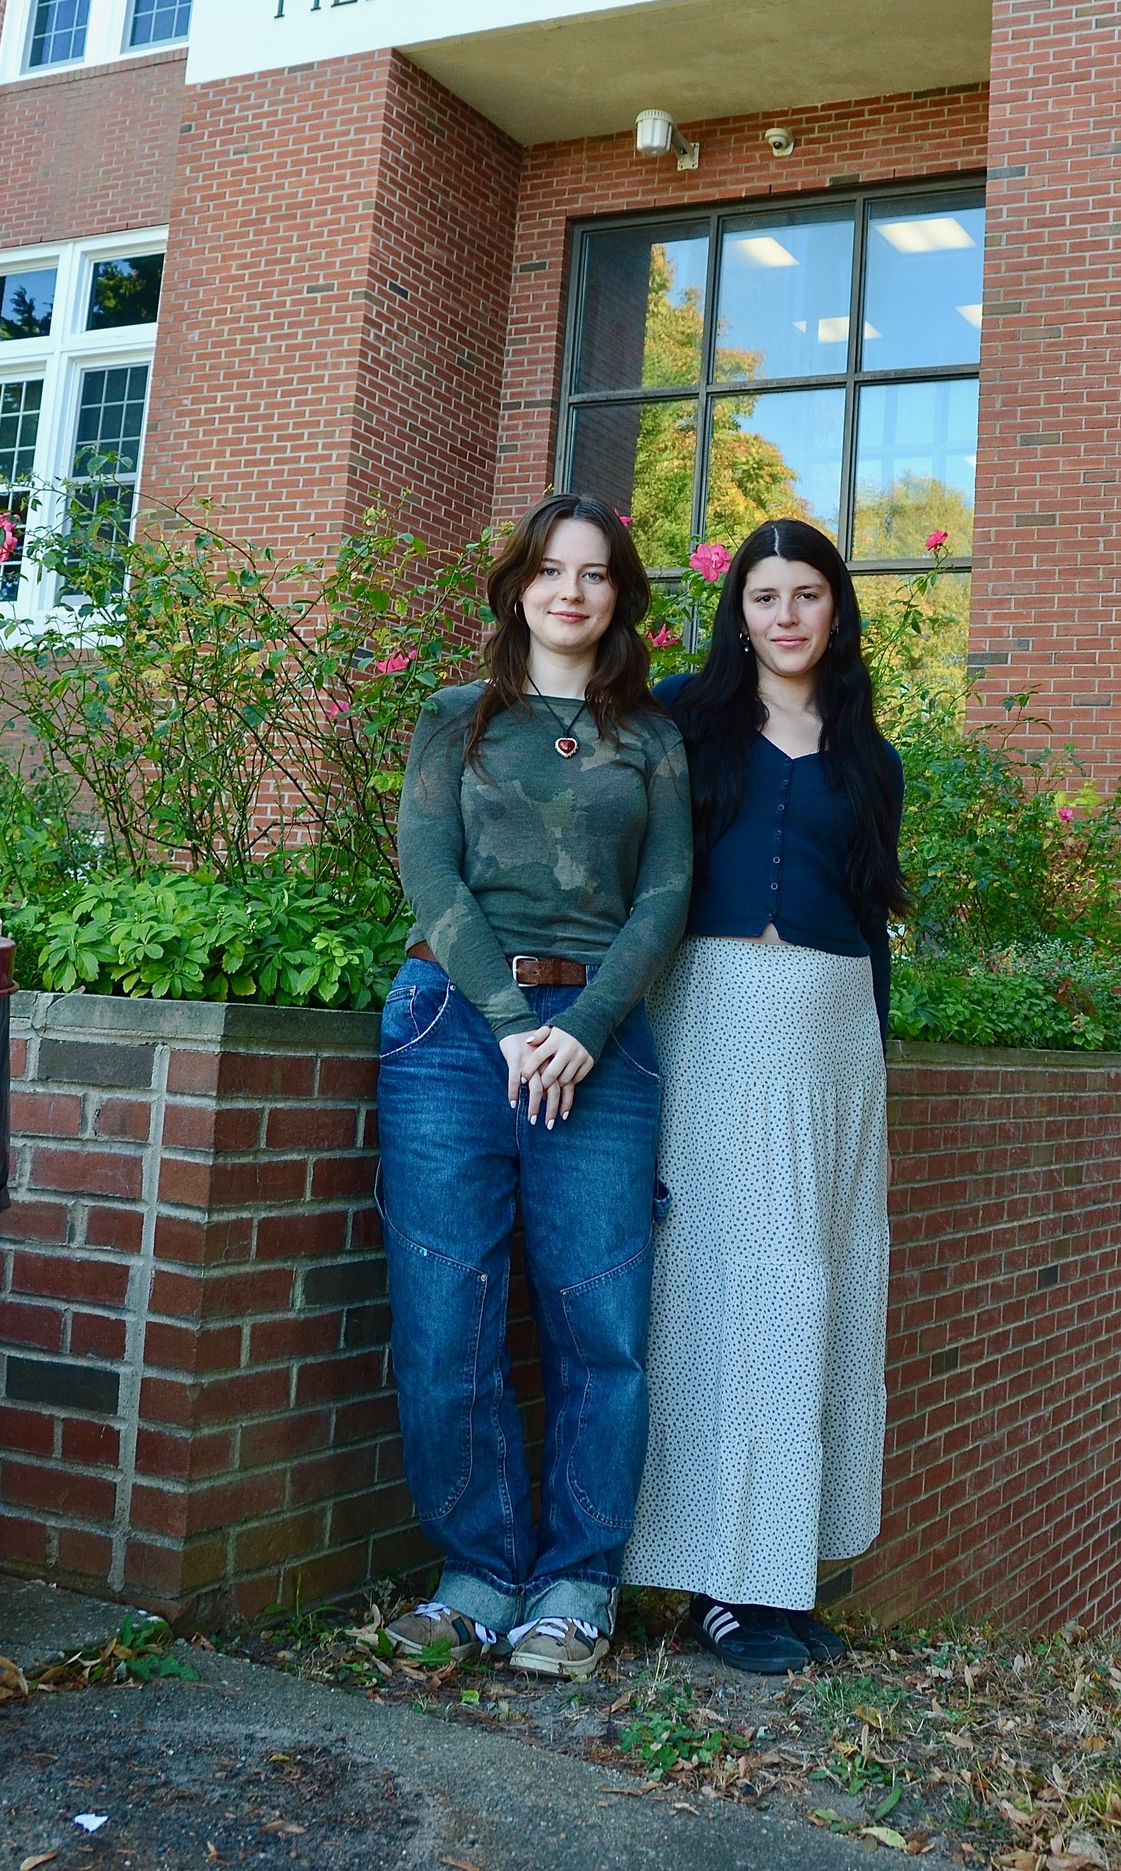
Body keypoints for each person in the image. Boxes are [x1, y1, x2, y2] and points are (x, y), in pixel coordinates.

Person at [377, 494, 692, 1681]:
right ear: (518, 586)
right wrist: (511, 1024)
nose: (572, 590)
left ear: (619, 597)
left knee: (599, 1323)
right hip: (453, 1030)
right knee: (442, 1311)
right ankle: (477, 1570)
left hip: (598, 1046)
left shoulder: (652, 737)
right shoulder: (456, 717)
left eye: (596, 573)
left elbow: (665, 898)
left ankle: (574, 1582)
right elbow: (427, 868)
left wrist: (588, 1028)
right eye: (553, 570)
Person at [624, 517, 907, 1674]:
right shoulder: (688, 723)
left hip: (836, 1044)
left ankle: (780, 1575)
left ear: (836, 612)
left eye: (806, 595)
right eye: (763, 596)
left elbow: (877, 925)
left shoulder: (868, 757)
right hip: (715, 1025)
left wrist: (876, 1067)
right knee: (724, 1292)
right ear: (737, 613)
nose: (785, 615)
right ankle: (719, 1584)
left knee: (819, 1295)